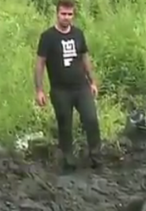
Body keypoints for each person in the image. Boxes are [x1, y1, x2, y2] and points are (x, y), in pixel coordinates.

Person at [34, 0, 102, 171]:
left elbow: (85, 58)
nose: (66, 17)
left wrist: (92, 80)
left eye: (69, 14)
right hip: (60, 89)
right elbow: (40, 63)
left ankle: (95, 156)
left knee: (91, 119)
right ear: (57, 14)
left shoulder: (78, 34)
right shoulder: (48, 37)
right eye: (63, 14)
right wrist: (39, 89)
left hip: (81, 87)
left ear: (73, 15)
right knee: (65, 125)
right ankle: (68, 161)